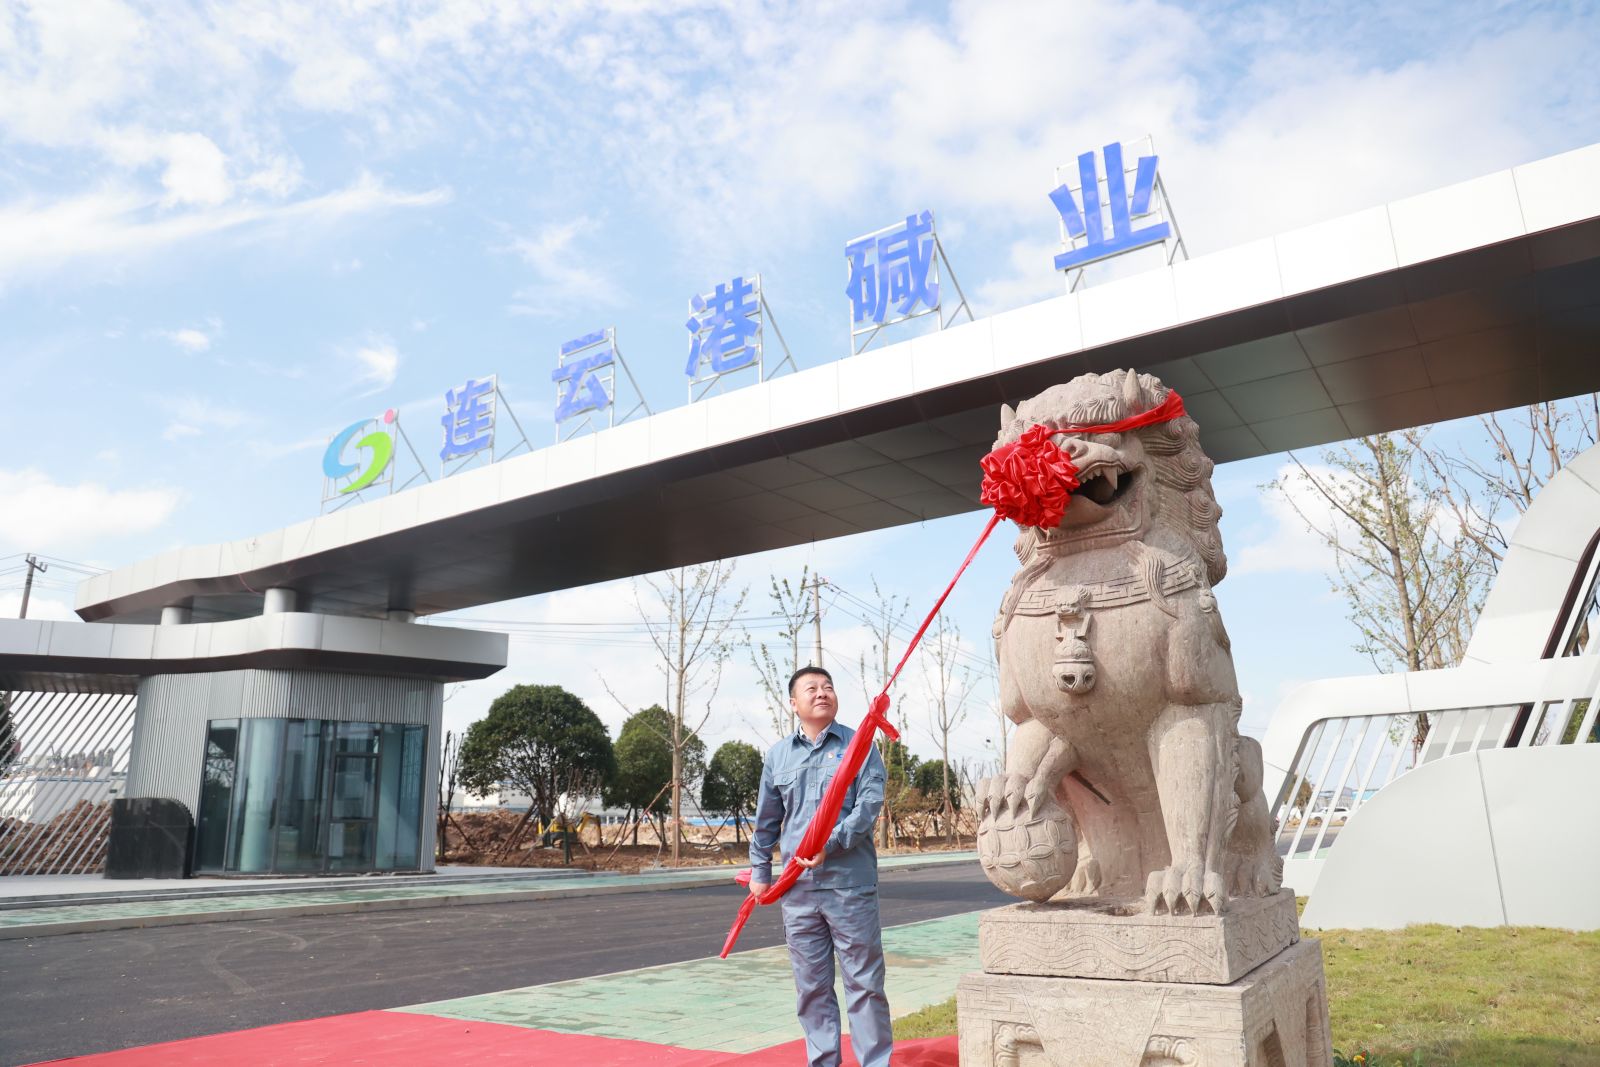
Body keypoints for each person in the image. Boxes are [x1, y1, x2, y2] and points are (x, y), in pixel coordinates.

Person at [749, 665, 891, 1067]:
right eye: (811, 688)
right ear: (793, 703)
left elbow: (869, 805)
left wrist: (831, 842)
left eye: (828, 686)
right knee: (811, 987)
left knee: (864, 982)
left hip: (849, 885)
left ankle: (875, 1062)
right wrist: (760, 872)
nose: (822, 692)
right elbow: (767, 821)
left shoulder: (860, 745)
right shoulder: (778, 756)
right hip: (798, 890)